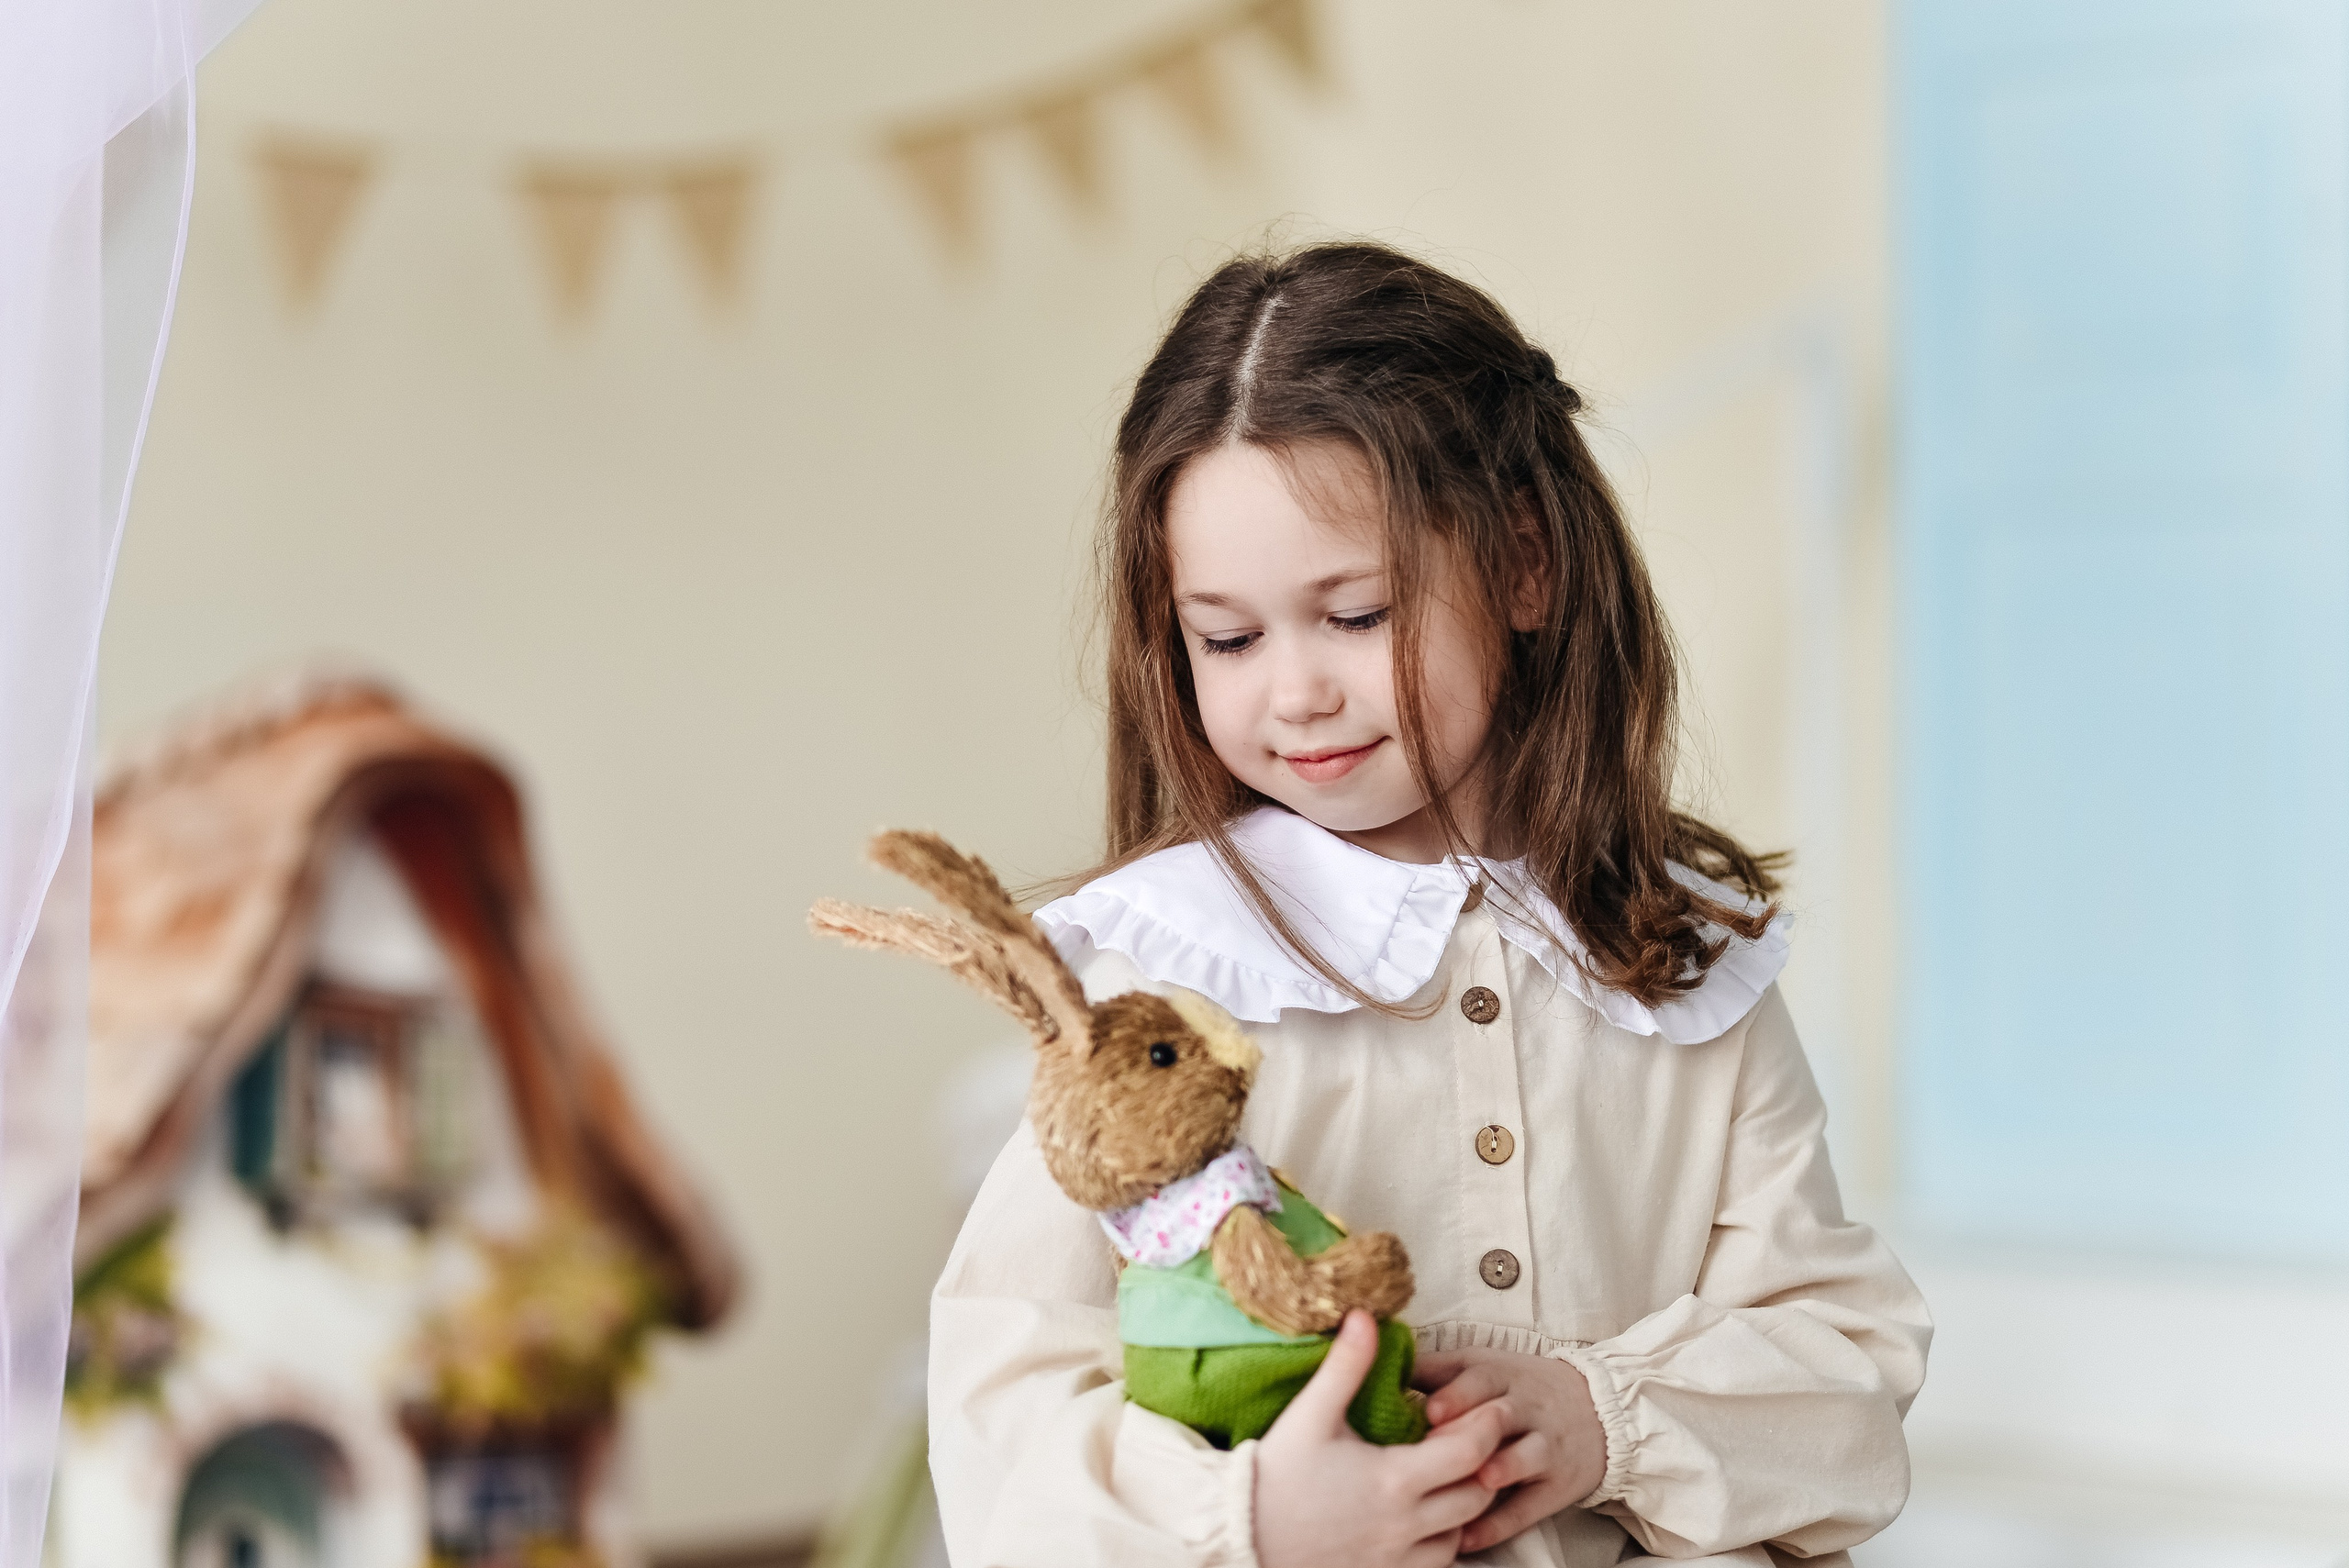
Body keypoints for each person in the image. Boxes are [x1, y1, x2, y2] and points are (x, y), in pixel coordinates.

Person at [926, 243, 1931, 1568]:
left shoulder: (1678, 956)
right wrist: (1255, 1520)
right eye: (1228, 637)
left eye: (1355, 612)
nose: (1294, 690)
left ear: (1524, 565)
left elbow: (1843, 1367)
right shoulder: (1153, 981)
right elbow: (1001, 1398)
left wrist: (1602, 1417)